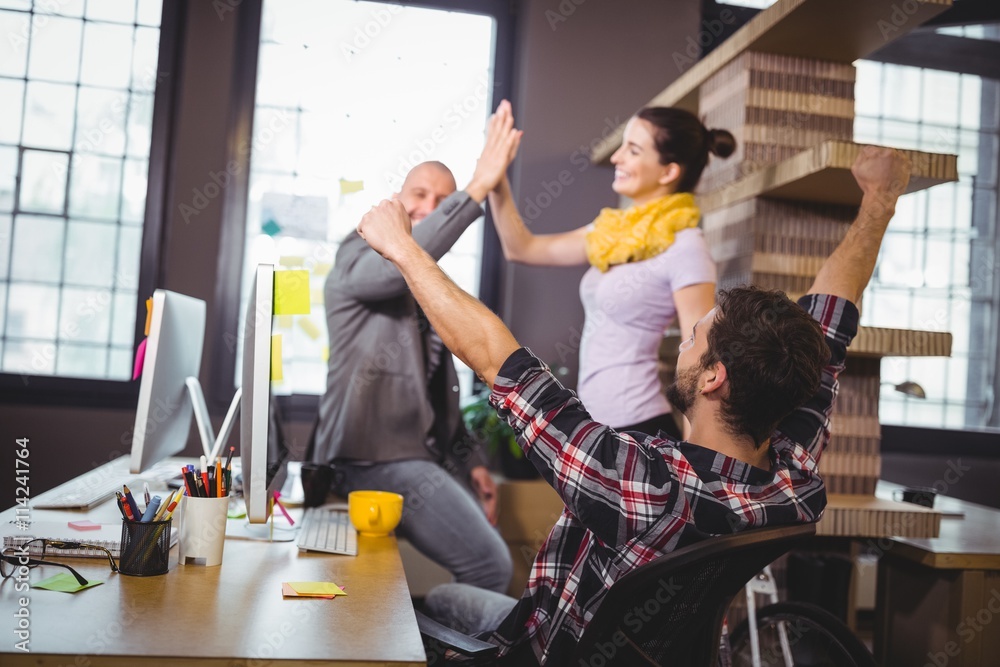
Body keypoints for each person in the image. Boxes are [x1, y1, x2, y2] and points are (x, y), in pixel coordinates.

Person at [354, 144, 911, 665]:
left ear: (714, 378)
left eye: (692, 337)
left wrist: (402, 247)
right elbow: (834, 313)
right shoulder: (793, 475)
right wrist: (878, 201)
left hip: (540, 649)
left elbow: (494, 359)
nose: (682, 343)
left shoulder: (638, 483)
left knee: (437, 603)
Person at [312, 107, 522, 593]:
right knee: (491, 568)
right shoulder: (357, 256)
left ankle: (422, 644)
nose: (431, 208)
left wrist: (471, 462)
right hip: (369, 461)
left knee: (481, 567)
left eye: (444, 201)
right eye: (419, 196)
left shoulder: (428, 289)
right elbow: (391, 267)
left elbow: (438, 398)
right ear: (395, 204)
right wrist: (475, 190)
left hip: (415, 463)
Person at [487, 101, 735, 435]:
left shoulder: (687, 247)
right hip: (594, 422)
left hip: (640, 426)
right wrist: (495, 177)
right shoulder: (610, 234)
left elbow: (701, 359)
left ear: (668, 171)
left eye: (632, 150)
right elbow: (521, 247)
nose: (616, 158)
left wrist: (693, 456)